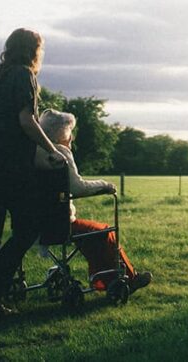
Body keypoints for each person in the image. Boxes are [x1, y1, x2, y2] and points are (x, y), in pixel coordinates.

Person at [0, 28, 66, 317]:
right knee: (27, 229)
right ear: (33, 51)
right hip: (9, 170)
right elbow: (27, 120)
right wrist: (52, 149)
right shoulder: (24, 76)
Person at [34, 109, 152, 292]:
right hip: (59, 223)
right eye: (70, 132)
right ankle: (127, 278)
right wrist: (105, 185)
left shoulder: (33, 152)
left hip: (34, 222)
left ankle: (106, 278)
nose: (72, 137)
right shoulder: (60, 153)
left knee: (91, 233)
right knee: (103, 231)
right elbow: (78, 188)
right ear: (62, 133)